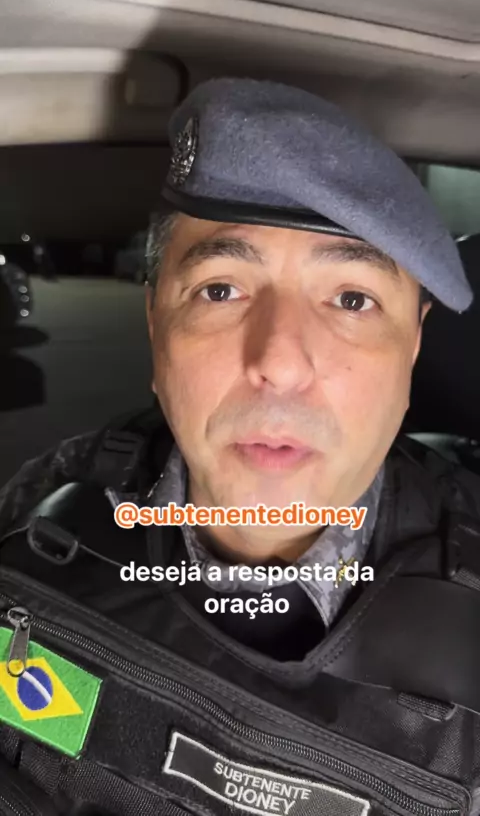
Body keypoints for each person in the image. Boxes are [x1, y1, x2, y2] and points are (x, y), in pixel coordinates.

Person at [0, 77, 480, 815]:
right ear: (157, 325)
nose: (280, 363)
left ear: (412, 346)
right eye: (221, 289)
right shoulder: (41, 509)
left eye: (352, 299)